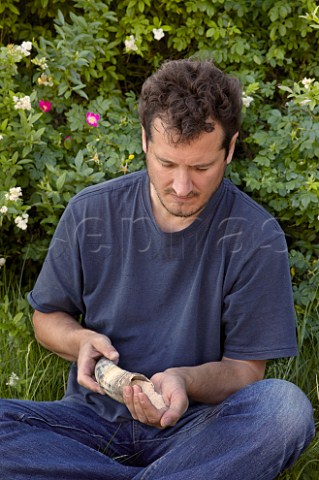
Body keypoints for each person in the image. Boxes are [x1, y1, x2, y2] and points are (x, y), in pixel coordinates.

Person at [0, 59, 315, 479]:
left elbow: (243, 372)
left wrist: (184, 381)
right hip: (86, 424)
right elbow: (47, 317)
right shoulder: (90, 212)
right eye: (168, 164)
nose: (182, 186)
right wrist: (79, 340)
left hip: (197, 432)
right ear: (145, 140)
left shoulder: (255, 235)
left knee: (285, 410)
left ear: (231, 148)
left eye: (201, 168)